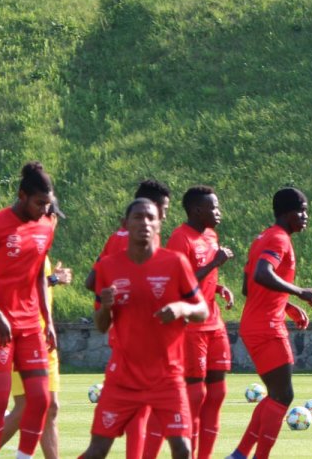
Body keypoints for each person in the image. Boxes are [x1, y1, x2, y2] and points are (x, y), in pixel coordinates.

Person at [78, 198, 209, 459]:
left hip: (167, 377)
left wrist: (182, 309)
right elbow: (102, 326)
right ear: (125, 225)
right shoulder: (107, 267)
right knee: (97, 449)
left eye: (151, 218)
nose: (145, 223)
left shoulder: (175, 263)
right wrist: (104, 307)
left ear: (159, 224)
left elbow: (202, 311)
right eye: (138, 217)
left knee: (182, 449)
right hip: (123, 378)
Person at [0, 162, 59, 459]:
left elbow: (39, 277)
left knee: (41, 400)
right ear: (21, 196)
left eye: (48, 203)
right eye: (39, 203)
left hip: (31, 323)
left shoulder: (47, 225)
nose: (44, 209)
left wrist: (49, 321)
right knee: (0, 398)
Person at [226, 187, 312, 459]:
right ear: (287, 213)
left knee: (275, 395)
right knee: (282, 396)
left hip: (256, 323)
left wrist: (286, 305)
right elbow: (262, 273)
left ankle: (240, 454)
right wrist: (298, 291)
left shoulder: (263, 238)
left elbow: (248, 286)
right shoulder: (279, 239)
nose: (305, 216)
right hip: (267, 327)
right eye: (302, 210)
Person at [82, 179, 172, 459]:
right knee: (139, 406)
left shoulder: (117, 236)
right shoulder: (139, 239)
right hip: (133, 333)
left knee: (138, 406)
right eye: (164, 209)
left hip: (128, 331)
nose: (165, 216)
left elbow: (91, 280)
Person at [165, 186, 235, 459]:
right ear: (196, 210)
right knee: (195, 397)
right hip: (191, 326)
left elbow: (201, 278)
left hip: (214, 323)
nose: (218, 212)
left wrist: (218, 288)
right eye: (213, 207)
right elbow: (178, 285)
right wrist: (215, 263)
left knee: (217, 393)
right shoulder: (180, 239)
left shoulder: (211, 235)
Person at [0, 258, 73, 459]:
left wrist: (51, 278)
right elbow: (16, 288)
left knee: (51, 408)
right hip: (23, 336)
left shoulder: (42, 241)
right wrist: (54, 279)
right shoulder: (21, 239)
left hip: (44, 336)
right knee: (25, 408)